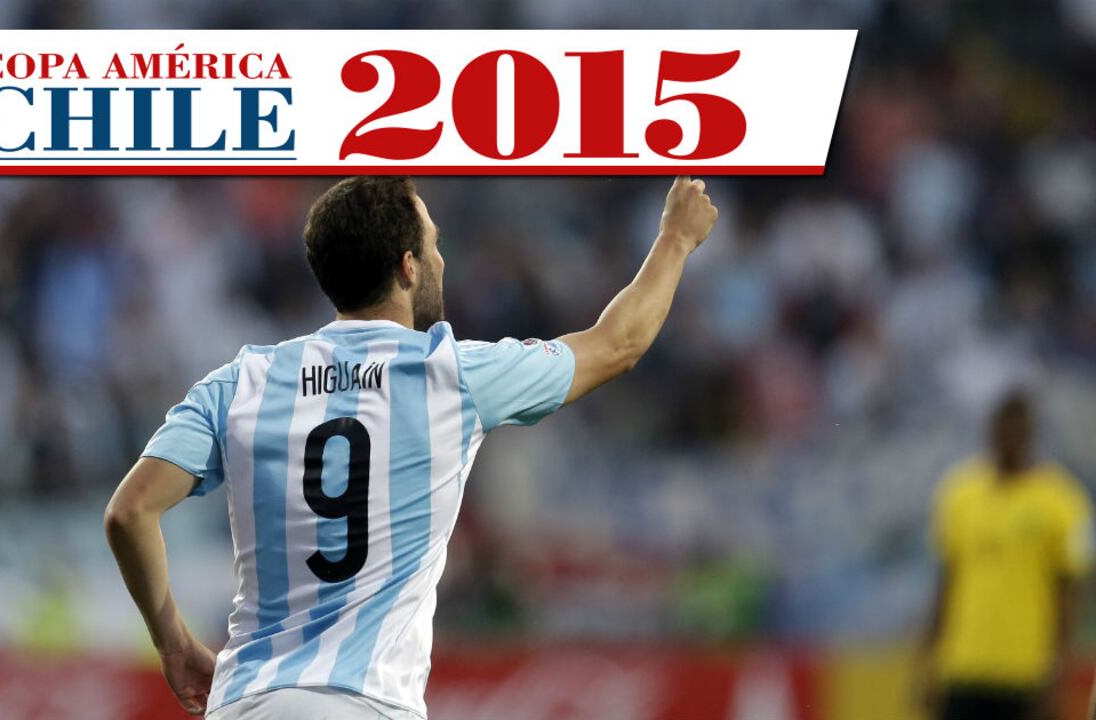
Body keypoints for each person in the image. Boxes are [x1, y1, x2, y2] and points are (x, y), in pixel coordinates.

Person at [104, 176, 718, 719]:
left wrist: (174, 643)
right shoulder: (450, 374)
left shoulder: (243, 381)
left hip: (245, 701)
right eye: (435, 245)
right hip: (365, 701)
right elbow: (617, 345)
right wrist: (675, 238)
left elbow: (130, 512)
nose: (442, 261)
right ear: (408, 267)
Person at [917, 391, 1093, 720]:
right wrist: (927, 662)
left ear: (1030, 435)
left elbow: (1069, 596)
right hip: (963, 669)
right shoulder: (960, 493)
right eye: (1001, 429)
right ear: (990, 431)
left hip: (1025, 674)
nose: (1007, 438)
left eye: (1016, 430)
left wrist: (1058, 674)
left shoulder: (1060, 501)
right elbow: (946, 584)